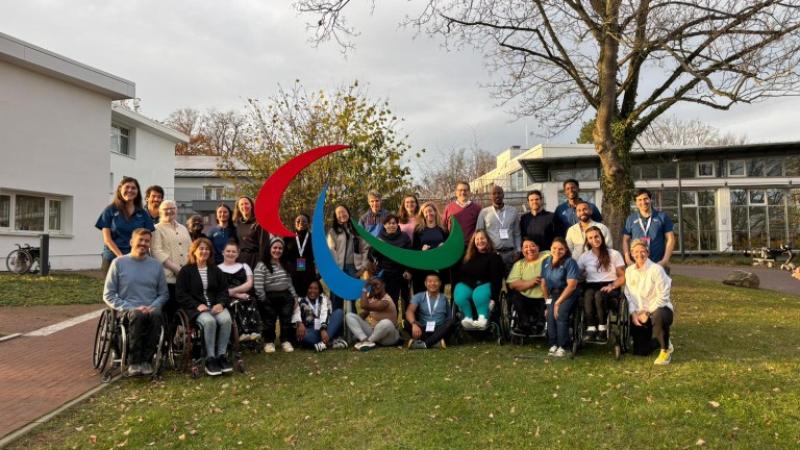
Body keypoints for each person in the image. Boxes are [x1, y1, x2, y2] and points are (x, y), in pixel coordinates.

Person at [102, 228, 168, 376]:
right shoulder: (118, 263)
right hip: (128, 310)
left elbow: (163, 294)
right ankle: (134, 362)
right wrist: (132, 307)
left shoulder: (156, 266)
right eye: (141, 240)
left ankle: (147, 361)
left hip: (151, 309)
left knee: (157, 316)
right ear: (132, 242)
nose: (144, 243)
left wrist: (153, 306)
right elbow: (108, 294)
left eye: (147, 241)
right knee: (138, 316)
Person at [175, 238, 233, 376]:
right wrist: (197, 305)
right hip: (196, 309)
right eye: (201, 248)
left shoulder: (215, 270)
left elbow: (224, 290)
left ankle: (221, 356)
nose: (204, 251)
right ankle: (210, 358)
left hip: (215, 306)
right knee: (209, 321)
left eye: (207, 249)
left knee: (226, 319)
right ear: (194, 251)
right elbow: (181, 294)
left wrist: (221, 303)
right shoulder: (186, 271)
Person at [624, 239, 675, 365]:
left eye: (643, 251)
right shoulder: (629, 271)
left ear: (648, 252)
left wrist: (647, 312)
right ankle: (661, 340)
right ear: (631, 253)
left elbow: (663, 295)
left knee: (659, 315)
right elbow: (628, 295)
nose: (639, 254)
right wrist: (634, 313)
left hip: (659, 309)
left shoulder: (656, 269)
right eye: (636, 251)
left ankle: (665, 351)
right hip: (639, 313)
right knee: (641, 352)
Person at [95, 176, 155, 275]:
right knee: (114, 290)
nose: (130, 190)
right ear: (120, 189)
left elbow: (149, 238)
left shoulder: (143, 213)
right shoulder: (110, 210)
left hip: (138, 258)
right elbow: (107, 240)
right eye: (127, 187)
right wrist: (121, 257)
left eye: (133, 188)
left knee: (136, 289)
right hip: (114, 258)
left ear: (137, 191)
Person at [578, 226, 626, 342]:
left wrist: (612, 286)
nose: (594, 240)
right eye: (590, 238)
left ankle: (602, 328)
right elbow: (577, 274)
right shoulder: (584, 257)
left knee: (599, 295)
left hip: (610, 285)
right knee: (588, 295)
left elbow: (623, 276)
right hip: (591, 285)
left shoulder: (614, 254)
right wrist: (580, 275)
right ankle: (591, 328)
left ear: (602, 237)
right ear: (587, 241)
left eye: (596, 236)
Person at [254, 237, 299, 353]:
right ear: (269, 249)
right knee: (269, 321)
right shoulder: (261, 265)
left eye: (280, 248)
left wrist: (295, 297)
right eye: (275, 248)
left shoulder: (285, 264)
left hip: (286, 297)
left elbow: (289, 283)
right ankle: (269, 342)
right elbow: (258, 286)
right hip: (269, 298)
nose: (277, 250)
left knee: (286, 320)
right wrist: (263, 300)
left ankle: (285, 341)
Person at [453, 230, 505, 330]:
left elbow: (496, 279)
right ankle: (468, 318)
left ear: (488, 240)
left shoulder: (494, 257)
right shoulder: (468, 257)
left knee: (478, 294)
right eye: (477, 239)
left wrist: (494, 298)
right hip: (469, 285)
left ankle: (483, 319)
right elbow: (461, 274)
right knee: (460, 293)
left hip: (485, 285)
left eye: (482, 238)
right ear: (473, 241)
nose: (480, 241)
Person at [151, 200, 192, 316]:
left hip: (184, 277)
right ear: (160, 212)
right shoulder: (156, 229)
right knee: (169, 310)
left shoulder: (183, 228)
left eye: (172, 208)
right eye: (166, 209)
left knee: (182, 309)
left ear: (177, 210)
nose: (169, 211)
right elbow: (156, 251)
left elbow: (191, 250)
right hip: (167, 277)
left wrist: (188, 269)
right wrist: (176, 269)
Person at [541, 237, 580, 357]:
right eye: (554, 248)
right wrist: (548, 303)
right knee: (550, 315)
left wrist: (558, 303)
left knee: (560, 313)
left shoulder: (570, 262)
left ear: (566, 249)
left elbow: (572, 285)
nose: (557, 251)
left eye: (561, 249)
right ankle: (553, 344)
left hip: (568, 293)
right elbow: (543, 284)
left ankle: (563, 346)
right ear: (550, 248)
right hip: (553, 294)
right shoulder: (546, 261)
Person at [327, 204, 370, 310]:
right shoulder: (333, 231)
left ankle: (352, 324)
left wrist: (363, 267)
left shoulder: (357, 230)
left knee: (351, 299)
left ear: (348, 212)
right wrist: (335, 270)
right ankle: (338, 324)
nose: (342, 214)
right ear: (336, 216)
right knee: (336, 298)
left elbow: (365, 249)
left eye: (343, 211)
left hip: (353, 268)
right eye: (338, 213)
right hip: (338, 269)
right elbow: (331, 251)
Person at [218, 241, 262, 342]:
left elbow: (249, 283)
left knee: (250, 300)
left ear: (238, 253)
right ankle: (242, 333)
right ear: (223, 252)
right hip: (225, 297)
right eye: (228, 251)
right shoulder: (217, 269)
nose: (230, 253)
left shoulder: (244, 266)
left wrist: (234, 292)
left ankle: (253, 332)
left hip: (243, 294)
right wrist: (237, 294)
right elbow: (218, 288)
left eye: (233, 251)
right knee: (237, 303)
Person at [622, 188, 675, 268]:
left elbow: (671, 239)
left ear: (650, 200)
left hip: (658, 264)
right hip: (637, 265)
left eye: (645, 199)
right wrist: (628, 260)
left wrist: (665, 260)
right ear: (636, 202)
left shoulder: (662, 217)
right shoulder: (631, 219)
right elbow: (625, 240)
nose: (643, 202)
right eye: (639, 200)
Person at [506, 238, 549, 335]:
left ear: (538, 247)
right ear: (522, 250)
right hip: (526, 298)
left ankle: (540, 324)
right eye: (525, 247)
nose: (529, 249)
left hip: (545, 296)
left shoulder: (547, 255)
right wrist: (530, 282)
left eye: (532, 246)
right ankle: (524, 324)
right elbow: (512, 284)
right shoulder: (519, 264)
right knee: (515, 296)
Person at [345, 277, 400, 351]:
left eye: (376, 284)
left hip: (388, 337)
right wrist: (357, 322)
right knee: (349, 315)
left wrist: (364, 288)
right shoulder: (373, 299)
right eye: (372, 285)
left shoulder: (386, 301)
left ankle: (368, 342)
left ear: (383, 285)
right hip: (375, 334)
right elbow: (364, 314)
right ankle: (364, 339)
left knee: (386, 322)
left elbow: (364, 305)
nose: (374, 287)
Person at [292, 280, 348, 352]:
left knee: (339, 313)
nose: (313, 291)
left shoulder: (324, 299)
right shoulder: (301, 300)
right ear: (306, 289)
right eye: (310, 288)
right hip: (311, 330)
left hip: (326, 328)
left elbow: (325, 314)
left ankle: (322, 344)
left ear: (319, 290)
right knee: (304, 336)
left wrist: (323, 329)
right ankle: (330, 342)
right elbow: (296, 313)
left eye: (316, 288)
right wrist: (300, 324)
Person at [371, 214, 412, 308]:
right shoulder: (379, 238)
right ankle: (391, 321)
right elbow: (372, 255)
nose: (392, 225)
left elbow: (410, 256)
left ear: (397, 225)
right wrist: (377, 247)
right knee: (390, 300)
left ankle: (406, 321)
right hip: (386, 273)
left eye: (394, 223)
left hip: (401, 273)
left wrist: (408, 270)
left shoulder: (404, 237)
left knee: (405, 299)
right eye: (389, 223)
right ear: (384, 225)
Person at [476, 185, 521, 271]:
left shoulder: (513, 211)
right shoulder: (484, 212)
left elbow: (517, 233)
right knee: (495, 283)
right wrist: (483, 254)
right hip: (492, 254)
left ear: (503, 195)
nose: (497, 195)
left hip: (510, 255)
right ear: (490, 196)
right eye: (494, 194)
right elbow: (479, 234)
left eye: (499, 193)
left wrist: (518, 251)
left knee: (511, 283)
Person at [404, 273, 455, 349]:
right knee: (406, 322)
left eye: (435, 281)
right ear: (425, 283)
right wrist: (414, 324)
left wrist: (448, 325)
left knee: (450, 323)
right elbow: (409, 311)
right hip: (423, 329)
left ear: (440, 283)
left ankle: (423, 344)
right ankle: (436, 343)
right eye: (430, 281)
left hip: (439, 329)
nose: (433, 283)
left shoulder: (444, 298)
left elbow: (449, 317)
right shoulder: (418, 296)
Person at [411, 202, 449, 293]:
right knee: (422, 293)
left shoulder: (443, 229)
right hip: (423, 266)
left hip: (439, 266)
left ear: (435, 212)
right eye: (426, 212)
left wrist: (444, 247)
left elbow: (449, 247)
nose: (429, 214)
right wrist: (421, 250)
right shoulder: (418, 230)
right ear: (423, 214)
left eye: (431, 211)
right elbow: (414, 249)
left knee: (438, 293)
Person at [282, 213, 317, 299]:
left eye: (304, 221)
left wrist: (318, 273)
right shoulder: (287, 238)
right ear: (294, 223)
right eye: (298, 221)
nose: (301, 223)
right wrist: (288, 269)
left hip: (309, 274)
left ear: (308, 223)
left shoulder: (314, 238)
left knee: (308, 299)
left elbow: (319, 257)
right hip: (292, 275)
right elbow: (283, 257)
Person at [443, 181, 482, 246]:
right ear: (456, 192)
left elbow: (480, 229)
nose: (463, 192)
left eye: (465, 190)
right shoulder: (448, 208)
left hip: (471, 246)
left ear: (469, 192)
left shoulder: (477, 208)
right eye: (460, 190)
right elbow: (444, 227)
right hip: (453, 245)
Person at [234, 196, 268, 270]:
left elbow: (264, 245)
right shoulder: (237, 224)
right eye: (241, 204)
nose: (244, 206)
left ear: (251, 206)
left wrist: (260, 263)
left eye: (246, 203)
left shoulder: (259, 223)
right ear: (239, 208)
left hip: (255, 259)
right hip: (241, 259)